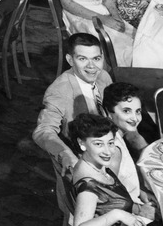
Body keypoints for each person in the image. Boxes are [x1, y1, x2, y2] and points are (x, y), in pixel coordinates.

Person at [33, 33, 113, 172]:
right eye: (82, 59)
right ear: (70, 60)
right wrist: (65, 154)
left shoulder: (103, 76)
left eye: (96, 59)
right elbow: (43, 131)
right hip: (84, 156)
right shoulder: (59, 90)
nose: (92, 66)